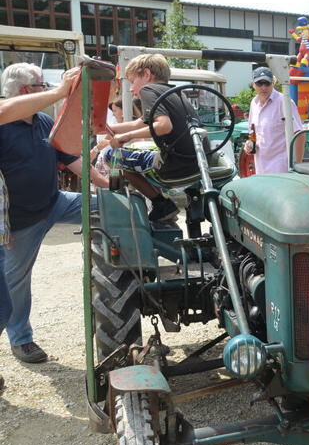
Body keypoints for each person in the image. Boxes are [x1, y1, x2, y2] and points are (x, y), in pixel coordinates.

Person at [0, 64, 106, 368]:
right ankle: (20, 339)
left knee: (106, 208)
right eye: (41, 85)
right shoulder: (2, 126)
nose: (47, 90)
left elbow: (73, 160)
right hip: (18, 222)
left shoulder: (44, 122)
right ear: (24, 91)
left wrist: (107, 185)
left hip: (55, 202)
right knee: (15, 282)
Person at [106, 53, 208, 223]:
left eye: (132, 82)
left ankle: (161, 205)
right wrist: (107, 129)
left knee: (113, 156)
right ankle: (162, 203)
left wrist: (126, 137)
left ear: (147, 74)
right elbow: (138, 124)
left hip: (174, 165)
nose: (131, 89)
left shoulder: (149, 90)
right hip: (198, 160)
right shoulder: (174, 92)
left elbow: (163, 126)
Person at [243, 67, 304, 174]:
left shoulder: (284, 102)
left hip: (281, 167)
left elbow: (299, 134)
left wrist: (297, 166)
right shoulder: (254, 103)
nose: (263, 87)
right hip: (261, 166)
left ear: (273, 83)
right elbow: (253, 132)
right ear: (253, 85)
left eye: (267, 83)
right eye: (259, 84)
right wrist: (249, 145)